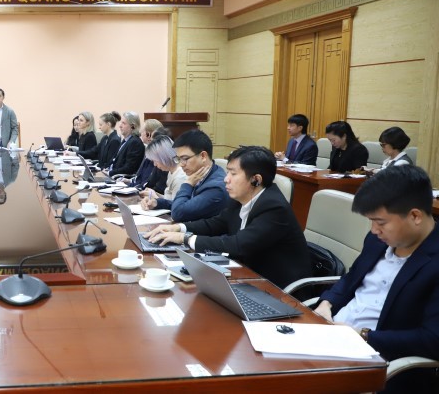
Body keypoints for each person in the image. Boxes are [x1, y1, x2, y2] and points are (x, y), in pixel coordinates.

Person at [314, 165, 439, 393]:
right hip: (332, 339)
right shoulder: (378, 240)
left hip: (381, 362)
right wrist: (327, 304)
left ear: (415, 216)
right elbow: (352, 277)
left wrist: (362, 336)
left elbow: (432, 339)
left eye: (381, 223)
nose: (373, 230)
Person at [144, 146, 311, 289]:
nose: (226, 179)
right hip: (245, 275)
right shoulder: (241, 198)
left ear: (256, 180)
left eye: (233, 173)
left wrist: (185, 238)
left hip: (276, 289)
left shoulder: (274, 207)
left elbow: (238, 245)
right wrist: (178, 228)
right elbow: (216, 224)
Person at [140, 129, 228, 223]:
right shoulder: (202, 174)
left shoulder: (215, 187)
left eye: (185, 158)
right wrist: (157, 203)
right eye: (179, 159)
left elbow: (178, 213)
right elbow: (187, 205)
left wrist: (187, 184)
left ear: (203, 156)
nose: (181, 164)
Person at [139, 134, 188, 206]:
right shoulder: (172, 171)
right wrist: (153, 194)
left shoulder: (180, 177)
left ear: (163, 157)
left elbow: (176, 207)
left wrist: (156, 199)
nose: (155, 164)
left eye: (155, 160)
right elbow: (169, 199)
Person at [126, 119, 166, 192]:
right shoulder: (147, 150)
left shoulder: (158, 155)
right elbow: (140, 176)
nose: (140, 133)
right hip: (137, 188)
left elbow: (147, 181)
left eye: (142, 131)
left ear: (149, 134)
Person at [106, 112, 145, 177]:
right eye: (121, 122)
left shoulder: (135, 143)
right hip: (112, 174)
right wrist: (105, 169)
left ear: (133, 126)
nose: (120, 126)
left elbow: (129, 168)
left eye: (123, 123)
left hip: (119, 178)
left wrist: (110, 173)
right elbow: (114, 160)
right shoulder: (126, 140)